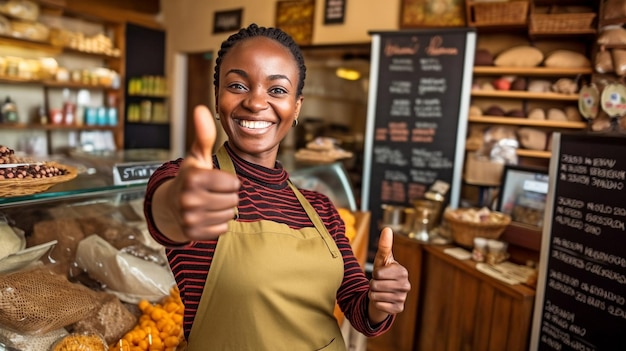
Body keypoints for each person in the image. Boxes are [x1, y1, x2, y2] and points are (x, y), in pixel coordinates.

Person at [144, 23, 410, 350]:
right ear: (217, 98)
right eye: (238, 85)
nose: (256, 102)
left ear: (296, 106)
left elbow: (358, 309)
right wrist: (177, 204)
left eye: (277, 90)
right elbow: (168, 209)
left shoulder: (322, 209)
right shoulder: (193, 181)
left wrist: (379, 300)